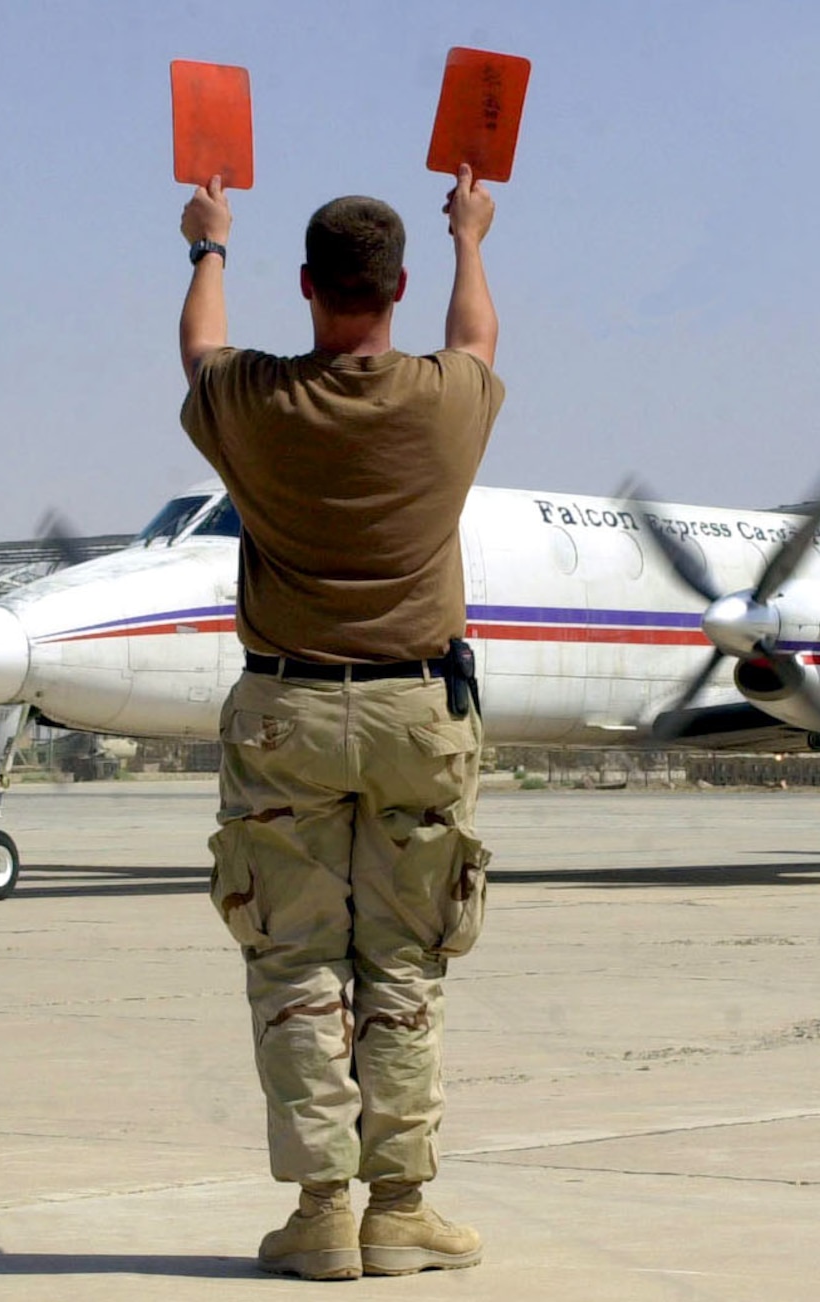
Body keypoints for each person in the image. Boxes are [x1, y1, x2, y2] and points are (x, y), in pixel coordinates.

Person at [176, 164, 502, 1281]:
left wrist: (208, 243)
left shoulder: (258, 403)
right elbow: (478, 339)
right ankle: (401, 1207)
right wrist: (472, 238)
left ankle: (321, 1211)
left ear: (305, 284)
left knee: (296, 960)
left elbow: (198, 353)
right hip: (417, 709)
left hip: (288, 710)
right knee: (406, 958)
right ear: (395, 284)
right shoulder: (444, 400)